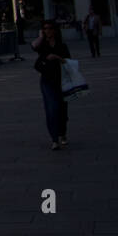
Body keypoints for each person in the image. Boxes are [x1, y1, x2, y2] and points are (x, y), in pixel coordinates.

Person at [32, 21, 71, 150]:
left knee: (61, 110)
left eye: (49, 28)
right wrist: (41, 36)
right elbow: (33, 45)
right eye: (45, 29)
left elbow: (68, 61)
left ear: (55, 30)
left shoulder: (62, 45)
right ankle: (54, 139)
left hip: (61, 80)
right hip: (47, 81)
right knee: (51, 109)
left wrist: (56, 57)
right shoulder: (42, 45)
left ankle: (62, 133)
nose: (47, 30)